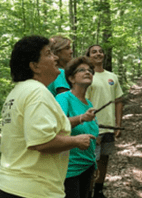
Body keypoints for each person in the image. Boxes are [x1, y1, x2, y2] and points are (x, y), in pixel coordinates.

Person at [0, 35, 95, 198]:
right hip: (32, 189)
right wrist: (76, 141)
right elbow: (42, 141)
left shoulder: (18, 92)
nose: (55, 57)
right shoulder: (37, 92)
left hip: (10, 184)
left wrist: (81, 119)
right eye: (49, 53)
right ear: (34, 66)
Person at [55, 56, 99, 198]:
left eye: (90, 70)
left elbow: (92, 136)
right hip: (69, 169)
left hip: (87, 166)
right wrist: (81, 118)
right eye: (82, 70)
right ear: (71, 79)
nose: (88, 72)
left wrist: (94, 164)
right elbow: (56, 126)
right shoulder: (63, 98)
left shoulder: (89, 104)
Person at [85, 45, 124, 198]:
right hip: (92, 126)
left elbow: (119, 100)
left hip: (108, 126)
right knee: (90, 162)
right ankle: (87, 192)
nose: (98, 54)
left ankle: (99, 191)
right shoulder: (86, 76)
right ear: (88, 55)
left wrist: (118, 124)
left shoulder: (112, 77)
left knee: (104, 159)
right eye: (94, 52)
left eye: (101, 51)